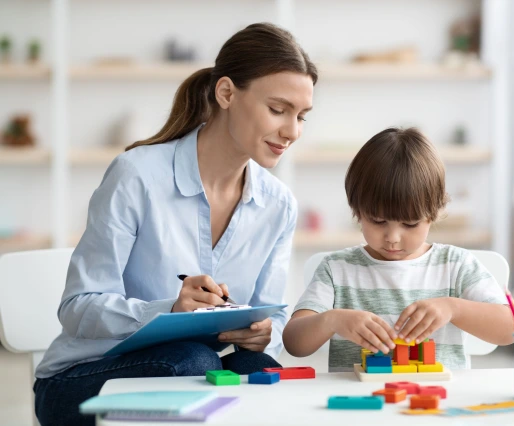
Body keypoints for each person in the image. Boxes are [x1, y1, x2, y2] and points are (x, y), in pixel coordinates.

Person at [34, 22, 317, 426]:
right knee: (193, 360)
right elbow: (77, 309)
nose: (292, 131)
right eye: (278, 110)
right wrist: (168, 310)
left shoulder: (278, 205)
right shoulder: (137, 175)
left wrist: (263, 331)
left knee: (258, 366)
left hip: (192, 374)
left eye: (302, 116)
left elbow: (272, 314)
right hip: (80, 382)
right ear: (226, 93)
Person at [282, 127, 514, 372]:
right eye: (378, 221)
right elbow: (294, 344)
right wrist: (332, 320)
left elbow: (511, 329)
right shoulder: (337, 269)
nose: (392, 238)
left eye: (410, 224)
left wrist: (453, 308)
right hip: (357, 403)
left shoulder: (455, 265)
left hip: (436, 403)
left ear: (433, 214)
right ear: (357, 211)